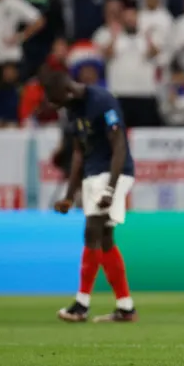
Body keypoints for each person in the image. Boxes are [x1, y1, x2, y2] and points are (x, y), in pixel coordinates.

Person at [38, 67, 137, 323]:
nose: (54, 104)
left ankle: (81, 304)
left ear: (67, 91)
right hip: (92, 174)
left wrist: (111, 189)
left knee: (92, 230)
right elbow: (79, 154)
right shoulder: (71, 110)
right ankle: (126, 307)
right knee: (104, 239)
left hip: (114, 172)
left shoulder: (102, 101)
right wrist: (69, 195)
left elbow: (119, 146)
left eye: (55, 99)